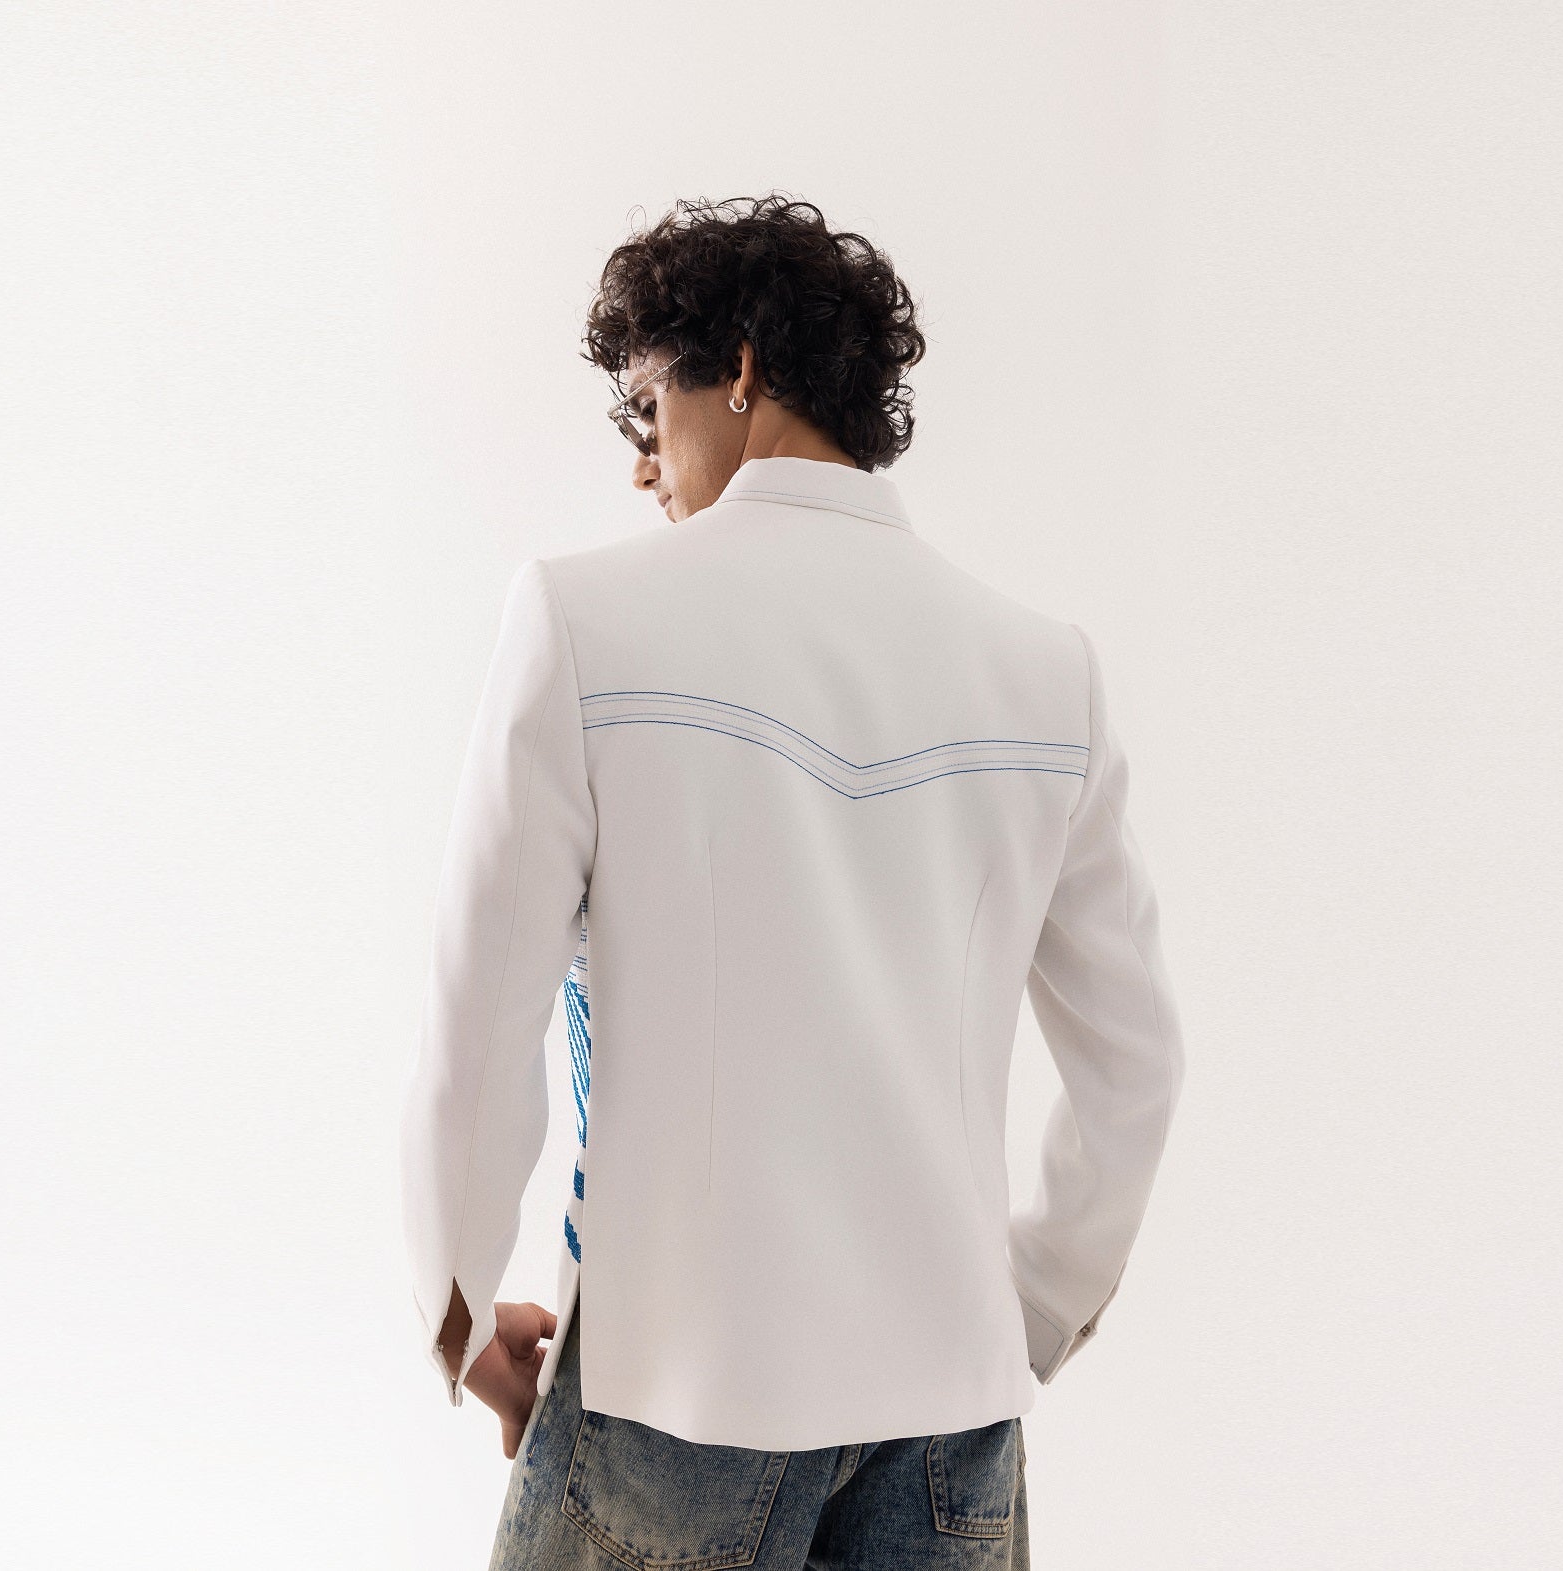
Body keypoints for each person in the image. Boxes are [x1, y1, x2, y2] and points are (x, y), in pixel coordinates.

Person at [399, 192, 1186, 1568]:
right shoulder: (1043, 670)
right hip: (952, 1422)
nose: (642, 466)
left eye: (649, 409)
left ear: (744, 370)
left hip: (672, 1396)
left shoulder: (585, 622)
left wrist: (461, 1311)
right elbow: (1136, 1067)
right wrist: (1026, 1312)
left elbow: (480, 1017)